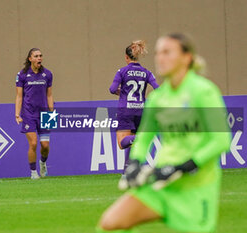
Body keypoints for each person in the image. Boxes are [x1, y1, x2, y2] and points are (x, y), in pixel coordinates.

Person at [97, 33, 231, 233]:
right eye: (158, 53)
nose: (160, 57)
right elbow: (143, 139)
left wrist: (184, 166)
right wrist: (134, 163)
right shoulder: (158, 98)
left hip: (195, 188)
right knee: (110, 224)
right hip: (161, 185)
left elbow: (221, 141)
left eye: (167, 52)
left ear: (186, 58)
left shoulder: (203, 91)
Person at [109, 40, 159, 175]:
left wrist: (121, 91)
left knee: (122, 143)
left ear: (126, 57)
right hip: (140, 110)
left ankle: (142, 138)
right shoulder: (146, 72)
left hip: (125, 110)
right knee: (133, 143)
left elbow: (112, 89)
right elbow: (158, 89)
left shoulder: (122, 71)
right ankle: (127, 171)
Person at [15, 48, 54, 179]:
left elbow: (49, 94)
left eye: (40, 56)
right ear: (30, 59)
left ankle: (42, 163)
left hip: (45, 114)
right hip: (28, 114)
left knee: (45, 145)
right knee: (33, 143)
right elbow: (19, 96)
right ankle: (33, 172)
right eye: (36, 56)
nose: (39, 58)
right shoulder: (22, 75)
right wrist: (17, 114)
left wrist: (52, 110)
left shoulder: (47, 74)